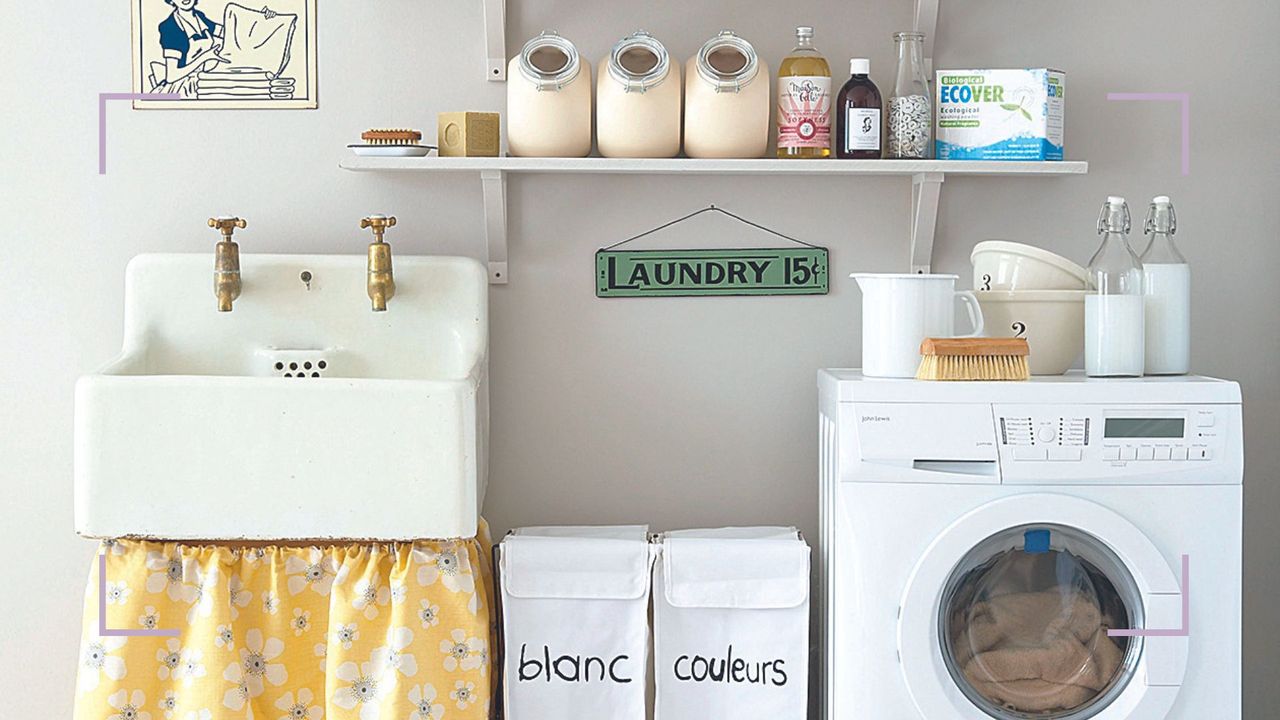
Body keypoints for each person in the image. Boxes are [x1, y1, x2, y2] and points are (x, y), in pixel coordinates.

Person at [155, 0, 276, 96]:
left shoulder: (199, 17)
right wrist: (205, 57)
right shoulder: (169, 27)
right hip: (184, 87)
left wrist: (262, 20)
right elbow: (172, 76)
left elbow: (231, 33)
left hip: (206, 79)